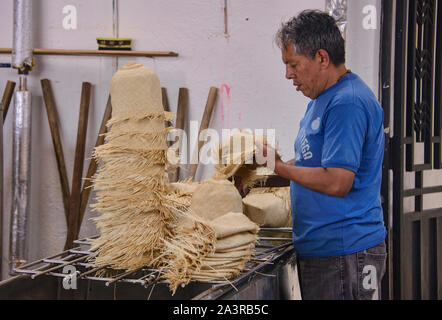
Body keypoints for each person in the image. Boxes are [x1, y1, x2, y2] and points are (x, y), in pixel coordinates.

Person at [258, 10, 387, 300]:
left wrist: (279, 167)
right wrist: (263, 175)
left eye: (293, 64)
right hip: (327, 251)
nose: (288, 74)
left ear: (322, 58)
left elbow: (337, 181)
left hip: (345, 253)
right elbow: (312, 165)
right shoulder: (323, 98)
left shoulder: (347, 103)